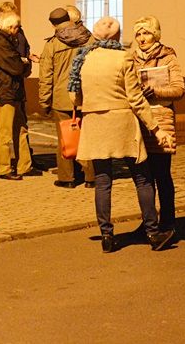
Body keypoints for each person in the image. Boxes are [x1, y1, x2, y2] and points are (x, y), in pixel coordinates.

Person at [68, 16, 175, 253]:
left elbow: (74, 97)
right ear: (116, 36)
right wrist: (156, 129)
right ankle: (153, 233)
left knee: (103, 182)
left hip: (94, 124)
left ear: (95, 36)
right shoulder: (124, 57)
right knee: (142, 178)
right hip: (122, 124)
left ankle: (106, 236)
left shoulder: (83, 59)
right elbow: (136, 99)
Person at [131, 15, 185, 234]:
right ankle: (149, 221)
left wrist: (156, 91)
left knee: (162, 173)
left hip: (161, 120)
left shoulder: (167, 57)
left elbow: (179, 89)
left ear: (155, 34)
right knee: (144, 177)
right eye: (138, 34)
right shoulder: (131, 58)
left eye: (146, 33)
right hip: (139, 120)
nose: (142, 38)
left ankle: (168, 220)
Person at [38, 6, 95, 189]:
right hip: (86, 95)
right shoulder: (89, 38)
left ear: (54, 24)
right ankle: (91, 177)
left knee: (65, 138)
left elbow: (45, 76)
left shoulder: (52, 44)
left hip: (62, 99)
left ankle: (67, 178)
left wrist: (44, 101)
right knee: (87, 137)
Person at [0, 2, 36, 170]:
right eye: (15, 26)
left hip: (14, 89)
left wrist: (23, 62)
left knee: (20, 128)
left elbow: (20, 58)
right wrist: (24, 63)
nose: (18, 30)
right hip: (4, 90)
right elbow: (14, 65)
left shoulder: (9, 38)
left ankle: (24, 165)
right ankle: (1, 166)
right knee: (3, 130)